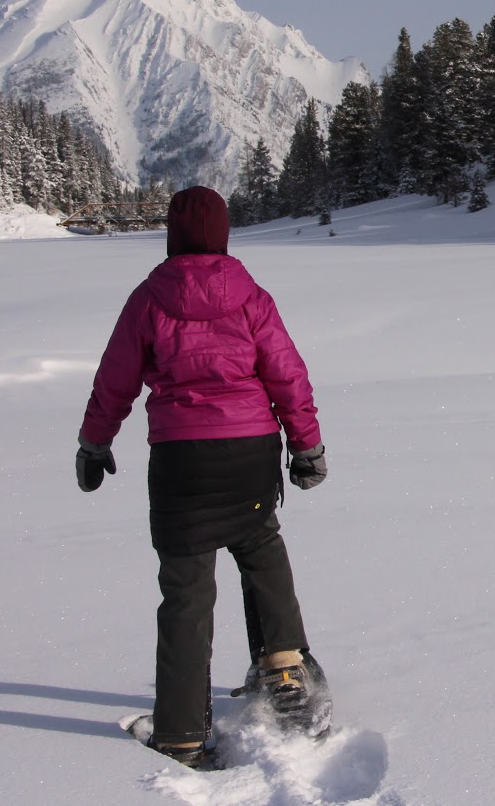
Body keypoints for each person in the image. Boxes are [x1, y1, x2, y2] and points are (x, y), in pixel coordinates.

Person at [75, 185, 329, 767]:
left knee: (186, 590)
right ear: (224, 233)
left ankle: (183, 734)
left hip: (182, 461)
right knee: (261, 549)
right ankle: (285, 669)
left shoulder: (148, 298)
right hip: (250, 452)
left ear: (172, 233)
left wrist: (95, 443)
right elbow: (287, 372)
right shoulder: (249, 295)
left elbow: (115, 379)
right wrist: (306, 445)